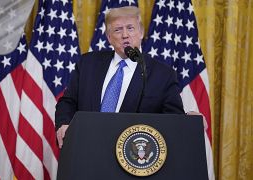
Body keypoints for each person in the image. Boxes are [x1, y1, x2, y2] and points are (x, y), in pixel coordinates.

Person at [55, 6, 184, 148]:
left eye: (130, 28)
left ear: (140, 32)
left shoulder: (163, 75)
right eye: (117, 30)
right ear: (109, 37)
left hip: (133, 157)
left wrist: (188, 119)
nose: (125, 35)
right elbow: (68, 102)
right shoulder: (88, 64)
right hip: (87, 149)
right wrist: (64, 124)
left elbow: (174, 121)